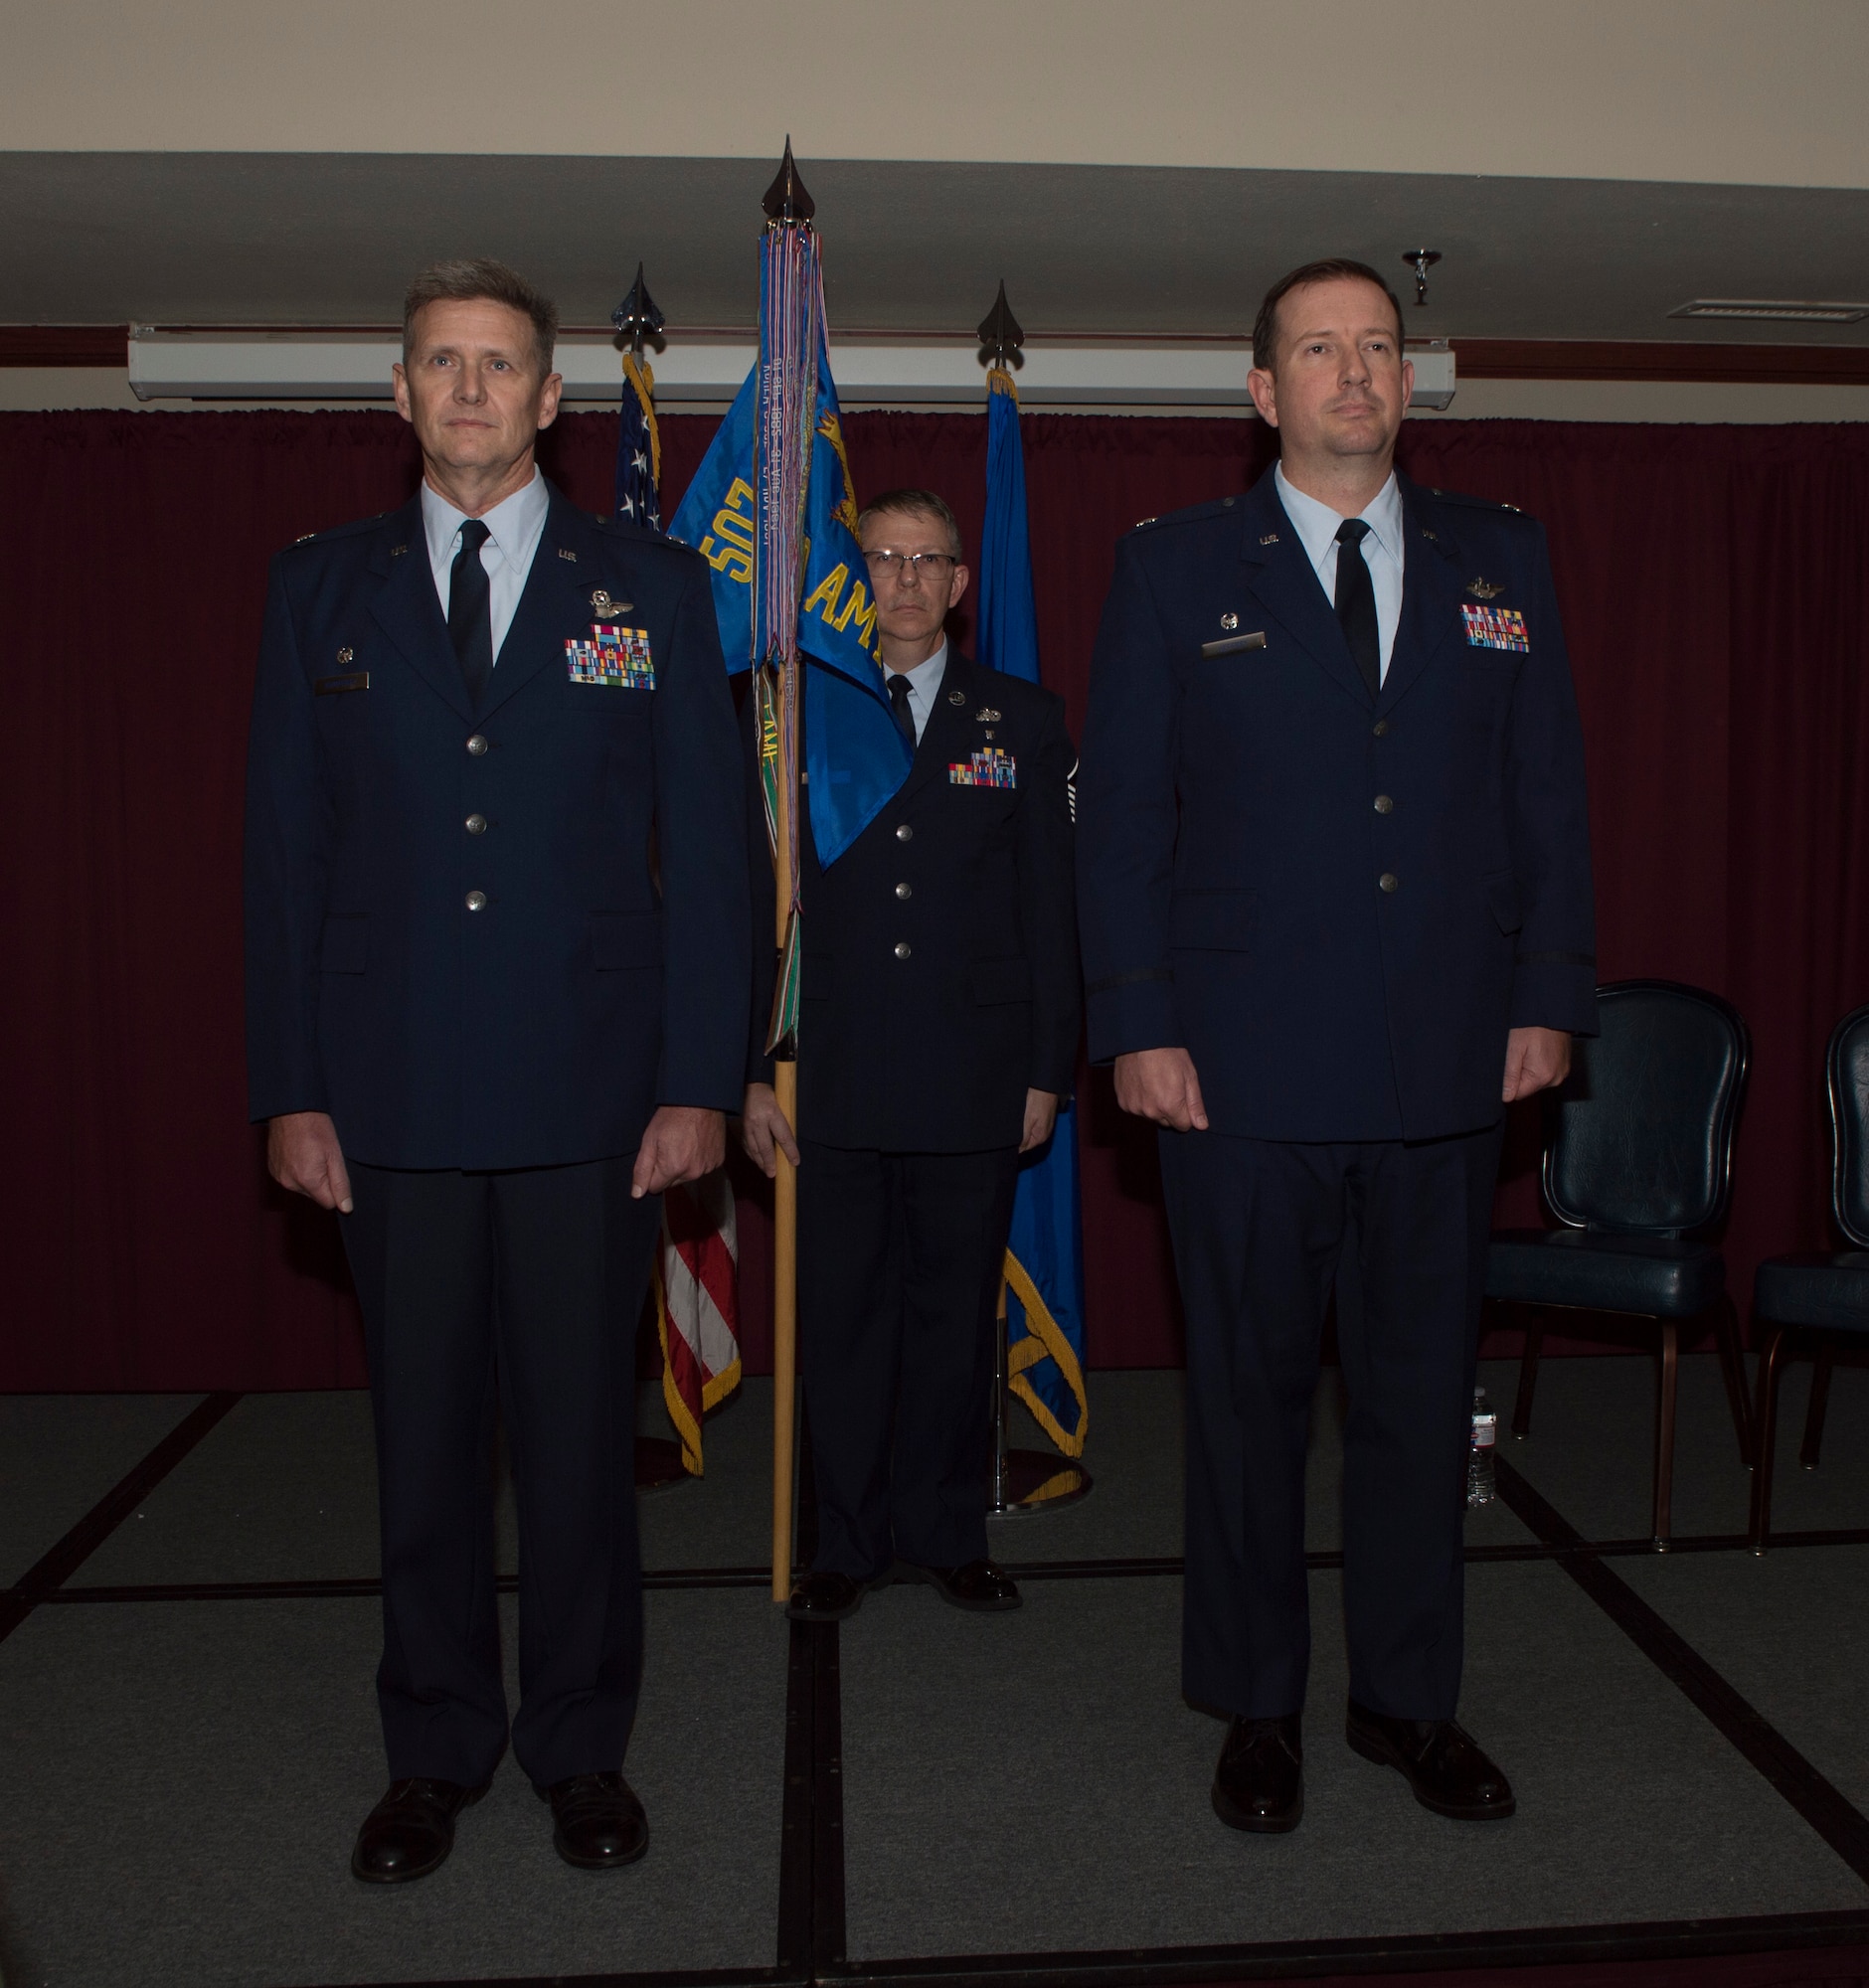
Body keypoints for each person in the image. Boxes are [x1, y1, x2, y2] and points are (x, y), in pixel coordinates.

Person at [1076, 259, 1597, 1833]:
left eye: (1378, 347)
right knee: (1244, 1405)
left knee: (1418, 1402)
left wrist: (1548, 996)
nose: (1355, 372)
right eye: (1320, 348)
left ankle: (1405, 1702)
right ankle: (1257, 1707)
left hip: (1446, 1068)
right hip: (1234, 1076)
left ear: (1405, 383)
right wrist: (1138, 1025)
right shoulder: (1175, 571)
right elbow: (1128, 828)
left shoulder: (1501, 560)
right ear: (1264, 392)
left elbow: (1547, 804)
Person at [245, 258, 748, 1882]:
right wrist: (290, 1082)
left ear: (552, 400)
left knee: (582, 1447)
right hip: (385, 1093)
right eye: (441, 365)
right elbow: (283, 859)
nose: (470, 390)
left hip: (593, 1097)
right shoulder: (319, 589)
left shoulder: (654, 590)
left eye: (501, 367)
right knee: (426, 1443)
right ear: (399, 395)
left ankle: (581, 1750)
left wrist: (699, 1079)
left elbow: (717, 864)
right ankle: (437, 1747)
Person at [739, 489, 1080, 1622]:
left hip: (972, 1071)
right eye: (883, 557)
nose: (905, 579)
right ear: (857, 575)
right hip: (829, 1071)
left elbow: (1050, 904)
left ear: (958, 583)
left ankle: (943, 1531)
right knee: (840, 1316)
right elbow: (760, 908)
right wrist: (750, 1065)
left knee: (950, 1318)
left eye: (928, 560)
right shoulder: (802, 714)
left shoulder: (1019, 716)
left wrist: (1046, 1066)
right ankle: (844, 1540)